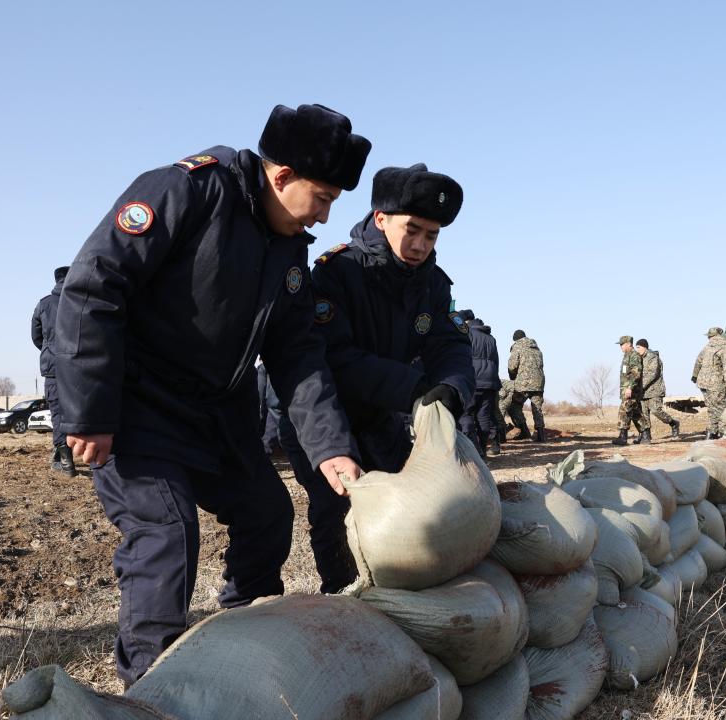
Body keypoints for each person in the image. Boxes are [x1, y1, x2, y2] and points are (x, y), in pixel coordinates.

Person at [54, 103, 371, 686]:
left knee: (268, 513)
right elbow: (92, 290)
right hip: (135, 402)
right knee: (166, 533)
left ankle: (242, 643)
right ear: (281, 177)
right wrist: (89, 413)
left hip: (215, 411)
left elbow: (298, 355)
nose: (325, 218)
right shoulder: (188, 191)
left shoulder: (288, 248)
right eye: (322, 198)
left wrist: (331, 447)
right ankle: (155, 686)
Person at [283, 162, 474, 594]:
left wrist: (449, 386)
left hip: (381, 420)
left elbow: (451, 345)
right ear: (380, 218)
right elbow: (335, 358)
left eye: (432, 235)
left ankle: (398, 605)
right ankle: (343, 597)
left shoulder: (433, 284)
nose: (421, 245)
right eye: (413, 230)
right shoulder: (338, 272)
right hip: (325, 419)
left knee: (404, 511)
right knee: (338, 514)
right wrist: (413, 388)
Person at [30, 266, 76, 476]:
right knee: (79, 410)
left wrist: (49, 349)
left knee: (57, 413)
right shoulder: (81, 299)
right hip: (79, 365)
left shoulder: (44, 304)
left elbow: (36, 336)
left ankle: (66, 462)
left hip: (53, 367)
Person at [459, 314, 502, 456]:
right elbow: (496, 361)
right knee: (484, 416)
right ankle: (483, 449)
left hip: (473, 379)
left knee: (467, 414)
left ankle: (474, 452)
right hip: (490, 381)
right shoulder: (491, 338)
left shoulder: (467, 334)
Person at [692, 326, 726, 439]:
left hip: (703, 383)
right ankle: (724, 435)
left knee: (712, 409)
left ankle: (711, 434)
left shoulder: (708, 347)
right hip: (716, 384)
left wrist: (695, 375)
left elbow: (698, 360)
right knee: (723, 410)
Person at [635, 338, 680, 440]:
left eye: (639, 347)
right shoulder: (638, 358)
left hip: (655, 390)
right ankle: (646, 435)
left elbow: (652, 374)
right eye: (636, 347)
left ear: (645, 347)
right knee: (643, 414)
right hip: (642, 392)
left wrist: (639, 386)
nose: (637, 350)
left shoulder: (653, 357)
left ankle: (673, 423)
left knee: (656, 411)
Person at [506, 330, 546, 441]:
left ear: (516, 339)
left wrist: (513, 378)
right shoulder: (537, 348)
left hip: (523, 383)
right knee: (537, 408)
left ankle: (524, 432)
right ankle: (541, 435)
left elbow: (512, 366)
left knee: (513, 406)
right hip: (539, 383)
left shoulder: (517, 347)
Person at [612, 335, 648, 445]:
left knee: (624, 411)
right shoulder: (627, 356)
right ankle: (645, 435)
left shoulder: (634, 356)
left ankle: (623, 437)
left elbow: (636, 374)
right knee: (636, 414)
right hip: (627, 391)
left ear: (628, 344)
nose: (621, 347)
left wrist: (629, 388)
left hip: (631, 391)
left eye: (622, 344)